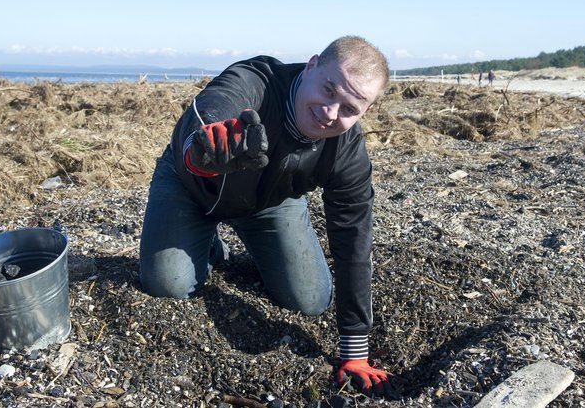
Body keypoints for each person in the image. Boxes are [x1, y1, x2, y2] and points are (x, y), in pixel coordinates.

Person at [139, 36, 396, 397]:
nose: (331, 112)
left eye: (350, 108)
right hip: (192, 186)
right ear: (310, 66)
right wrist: (202, 149)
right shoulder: (258, 81)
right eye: (328, 89)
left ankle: (255, 243)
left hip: (269, 203)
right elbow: (211, 105)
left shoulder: (346, 152)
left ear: (365, 112)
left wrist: (355, 352)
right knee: (169, 285)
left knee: (311, 299)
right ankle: (207, 243)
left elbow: (354, 239)